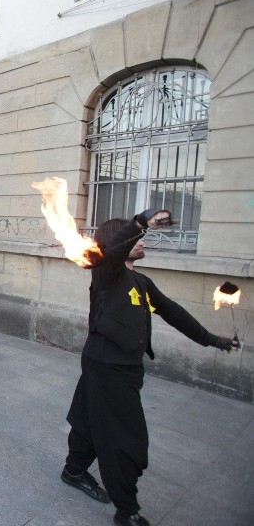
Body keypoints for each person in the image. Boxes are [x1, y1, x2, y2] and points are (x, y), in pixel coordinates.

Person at [61, 209, 237, 526]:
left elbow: (173, 313)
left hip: (120, 366)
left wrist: (211, 339)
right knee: (126, 440)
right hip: (108, 366)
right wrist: (140, 222)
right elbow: (114, 252)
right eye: (131, 238)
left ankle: (74, 470)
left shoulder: (141, 282)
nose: (143, 241)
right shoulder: (105, 273)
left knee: (89, 420)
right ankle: (127, 511)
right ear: (112, 244)